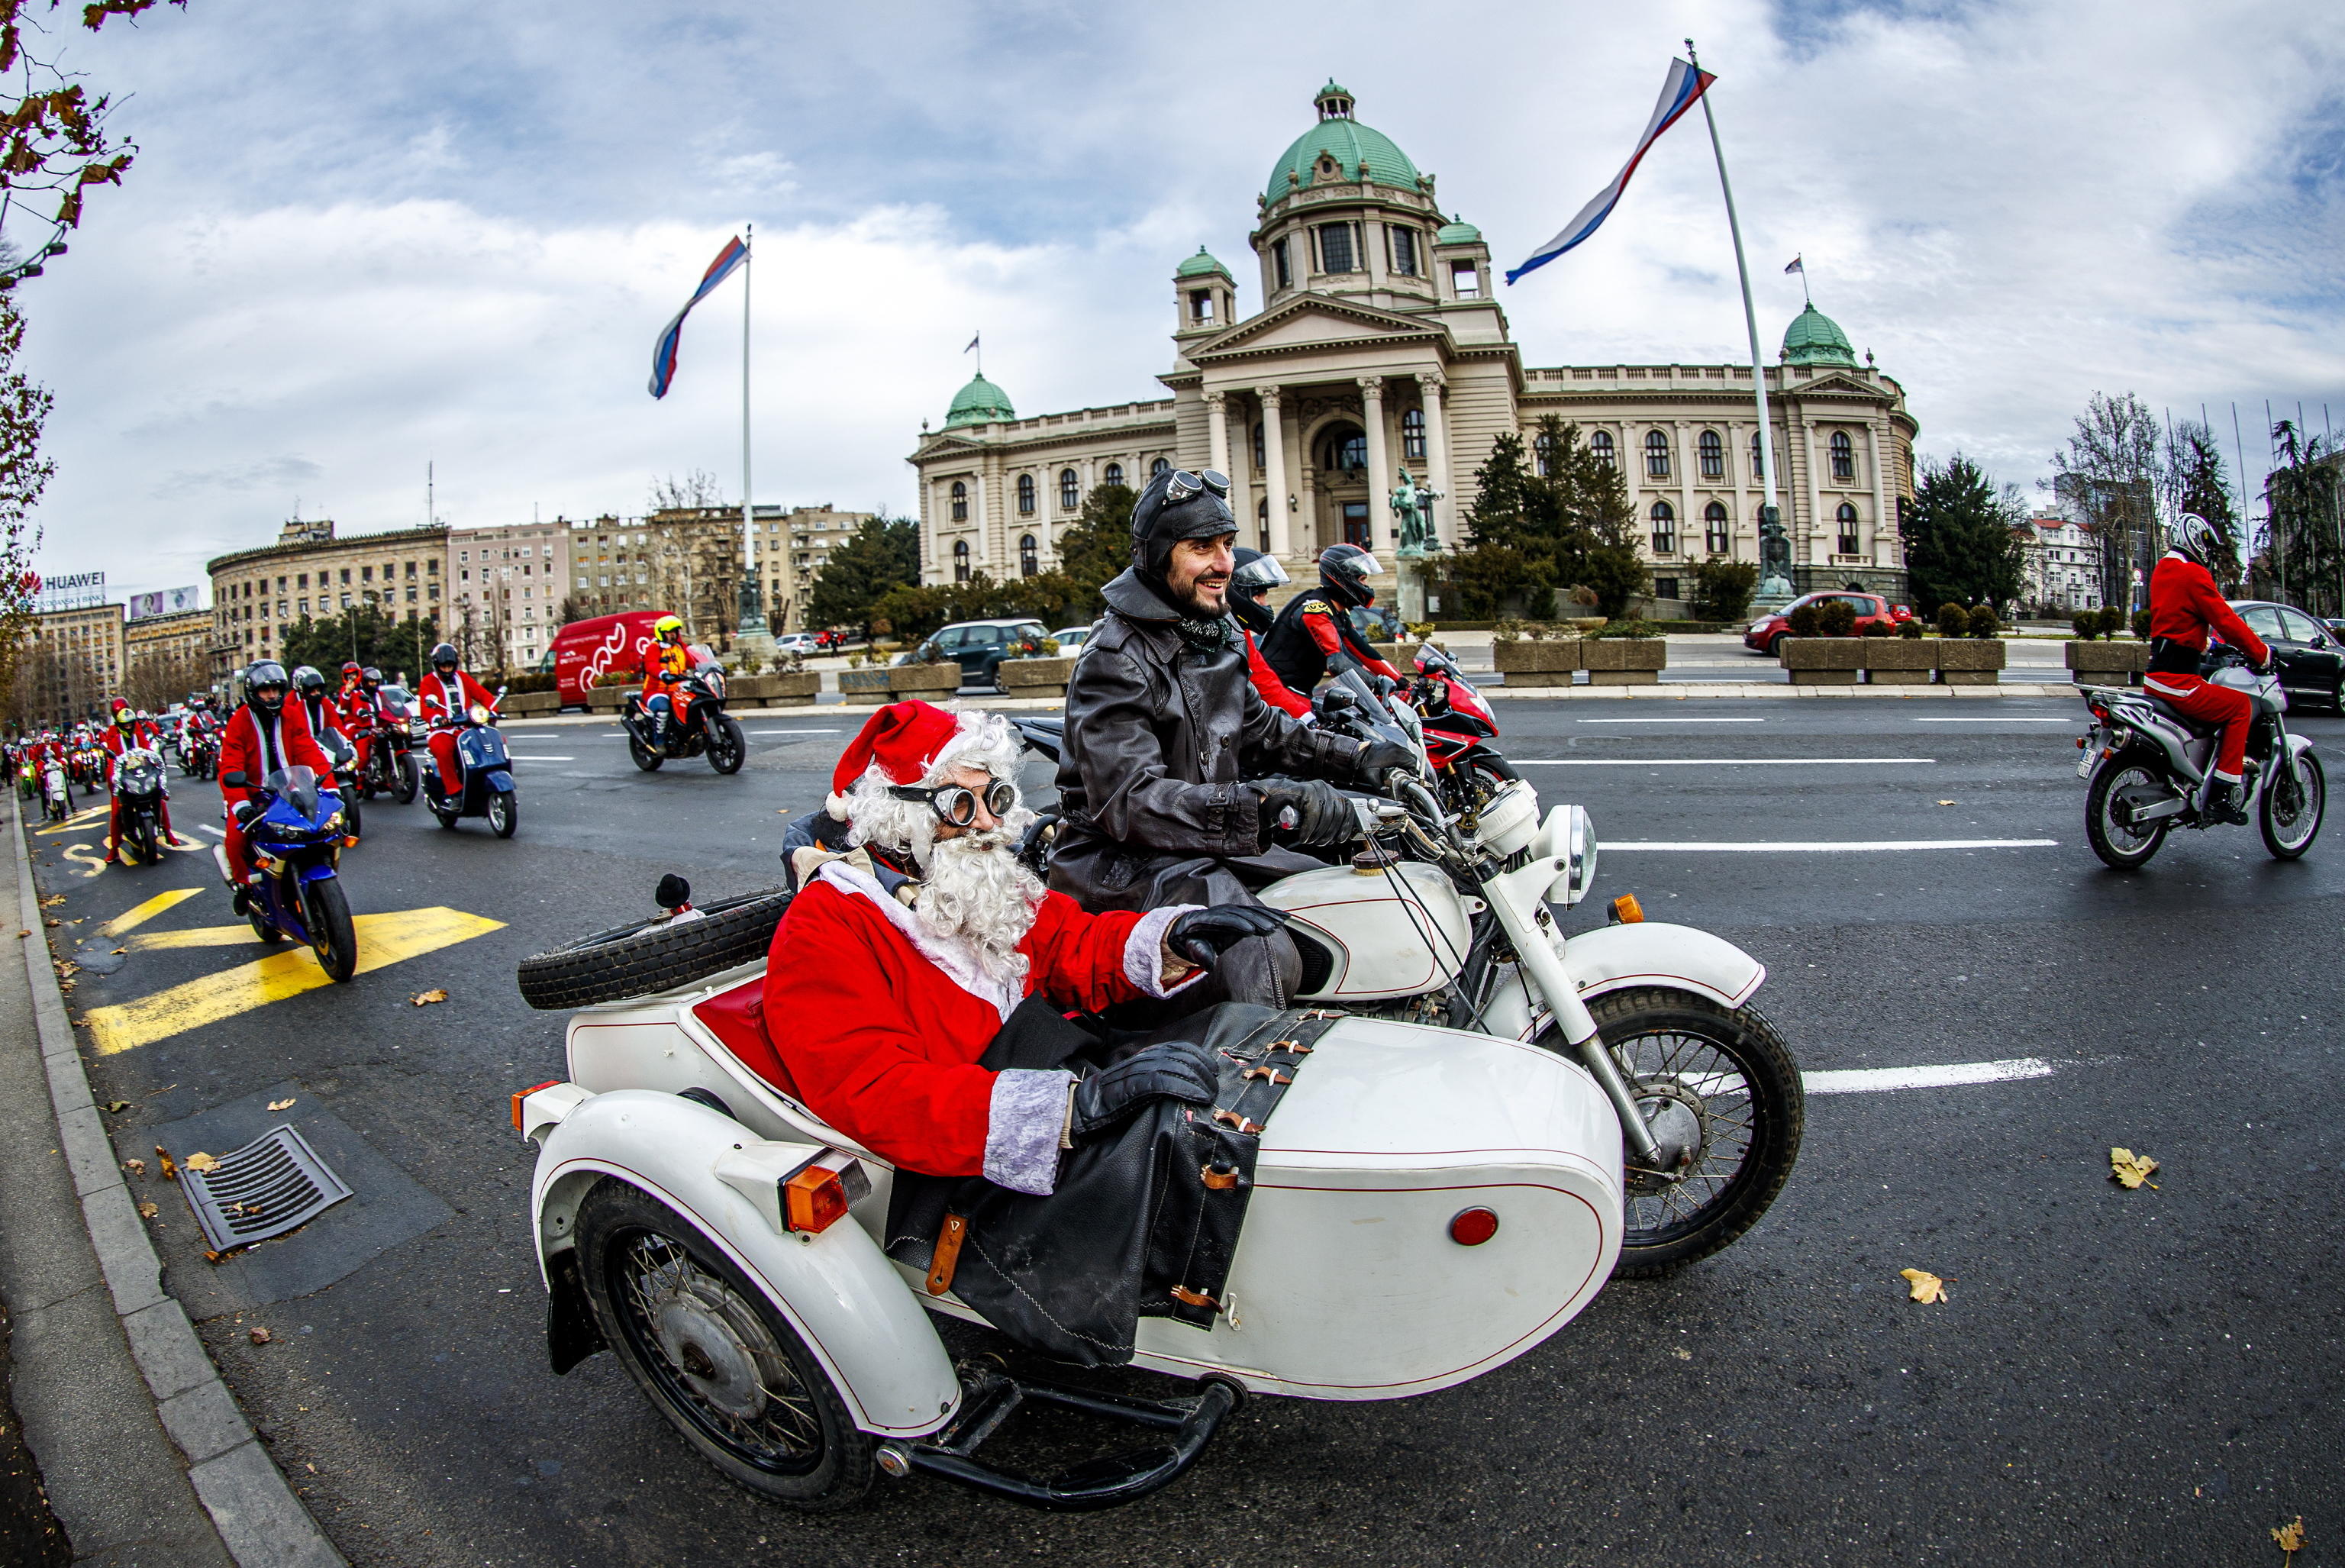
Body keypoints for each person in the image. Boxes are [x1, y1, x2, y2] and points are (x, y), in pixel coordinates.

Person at [760, 700, 1289, 1363]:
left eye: (995, 798)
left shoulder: (967, 879)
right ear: (898, 813)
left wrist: (1171, 938)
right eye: (960, 805)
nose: (988, 824)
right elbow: (874, 1092)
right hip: (964, 1160)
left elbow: (1068, 943)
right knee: (1171, 1128)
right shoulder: (827, 926)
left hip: (1041, 1076)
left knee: (1226, 1044)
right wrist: (1072, 1109)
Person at [1051, 467, 1414, 1008]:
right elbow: (1131, 802)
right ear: (1155, 554)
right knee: (1256, 948)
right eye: (1201, 547)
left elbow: (1263, 730)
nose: (1223, 563)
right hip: (1121, 859)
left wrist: (1360, 757)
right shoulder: (1117, 656)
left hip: (1199, 839)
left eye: (1226, 545)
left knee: (1345, 894)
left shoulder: (1214, 637)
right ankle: (1245, 1074)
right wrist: (1264, 807)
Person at [2144, 511, 2270, 824]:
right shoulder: (2194, 574)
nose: (2206, 550)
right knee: (2240, 706)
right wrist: (2262, 652)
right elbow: (2226, 620)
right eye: (2204, 542)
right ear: (2193, 538)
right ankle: (2222, 794)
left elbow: (2178, 619)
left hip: (2156, 676)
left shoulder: (2163, 569)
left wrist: (2207, 644)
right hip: (2179, 681)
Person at [215, 661, 335, 902]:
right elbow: (230, 766)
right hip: (251, 794)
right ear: (253, 692)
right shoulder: (240, 721)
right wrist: (240, 805)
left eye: (277, 690)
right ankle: (243, 886)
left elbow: (309, 751)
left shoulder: (291, 715)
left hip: (289, 790)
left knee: (321, 828)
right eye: (265, 690)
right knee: (236, 838)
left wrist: (329, 786)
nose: (272, 695)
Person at [1256, 542, 1406, 699]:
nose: (1367, 586)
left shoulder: (1337, 611)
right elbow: (1338, 663)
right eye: (1363, 579)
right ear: (1344, 578)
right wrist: (1378, 686)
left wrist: (1401, 682)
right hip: (1275, 693)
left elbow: (1362, 651)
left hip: (1295, 692)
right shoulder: (1315, 611)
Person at [1227, 547, 1314, 720]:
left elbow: (1266, 680)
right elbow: (1264, 686)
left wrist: (1307, 712)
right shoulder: (1225, 630)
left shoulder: (1237, 630)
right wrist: (1305, 718)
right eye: (1259, 595)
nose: (1264, 604)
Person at [99, 699, 181, 862]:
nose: (128, 726)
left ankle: (168, 832)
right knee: (116, 811)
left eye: (130, 723)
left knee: (159, 798)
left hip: (142, 773)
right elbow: (110, 758)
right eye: (124, 722)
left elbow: (148, 750)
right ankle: (114, 848)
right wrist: (113, 776)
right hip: (124, 776)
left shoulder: (138, 731)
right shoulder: (112, 733)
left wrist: (155, 764)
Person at [417, 642, 498, 801]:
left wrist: (493, 710)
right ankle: (454, 793)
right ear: (436, 665)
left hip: (467, 727)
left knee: (493, 742)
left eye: (450, 665)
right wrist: (436, 718)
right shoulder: (428, 681)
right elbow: (424, 706)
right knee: (443, 750)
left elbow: (483, 695)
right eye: (443, 666)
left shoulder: (463, 678)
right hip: (442, 730)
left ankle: (486, 781)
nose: (447, 668)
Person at [640, 614, 692, 747]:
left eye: (675, 631)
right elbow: (651, 665)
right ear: (662, 633)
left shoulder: (681, 647)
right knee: (663, 710)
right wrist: (664, 674)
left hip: (678, 690)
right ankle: (659, 742)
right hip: (656, 691)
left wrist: (712, 667)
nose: (673, 635)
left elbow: (694, 660)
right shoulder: (654, 647)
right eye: (669, 632)